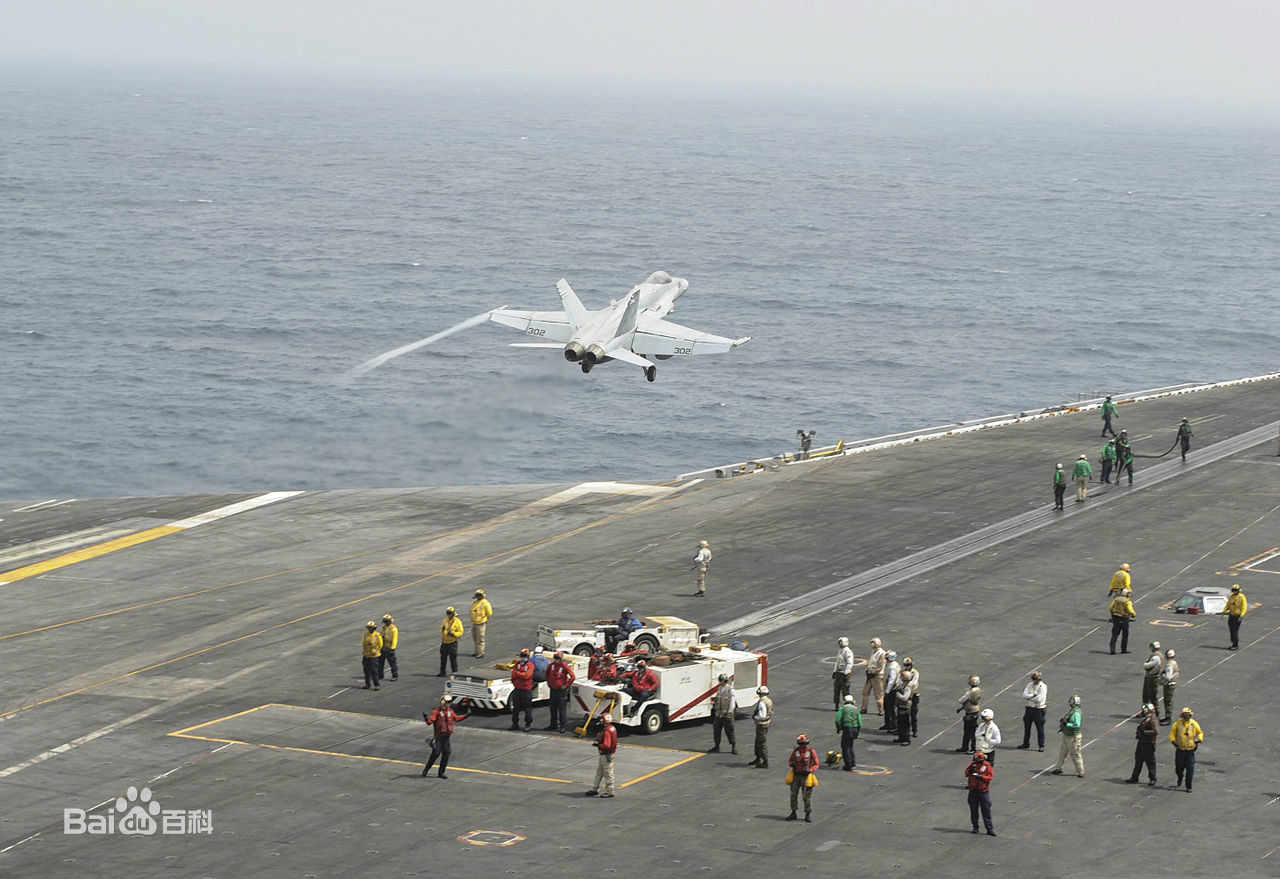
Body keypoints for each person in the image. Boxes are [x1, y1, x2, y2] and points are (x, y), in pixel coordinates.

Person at [422, 694, 469, 778]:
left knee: (446, 753)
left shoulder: (450, 711)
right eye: (447, 702)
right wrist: (426, 718)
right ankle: (426, 769)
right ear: (443, 702)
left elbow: (456, 719)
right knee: (436, 753)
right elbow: (430, 722)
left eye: (450, 702)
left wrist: (466, 716)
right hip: (439, 737)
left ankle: (441, 773)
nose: (449, 704)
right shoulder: (437, 711)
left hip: (446, 737)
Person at [1170, 706, 1204, 792]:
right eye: (1184, 715)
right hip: (1180, 749)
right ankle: (1180, 777)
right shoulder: (1177, 723)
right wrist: (1173, 741)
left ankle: (1189, 786)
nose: (1186, 717)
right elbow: (1172, 734)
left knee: (1190, 769)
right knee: (1178, 768)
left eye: (1187, 715)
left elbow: (1200, 732)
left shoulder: (1193, 723)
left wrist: (1199, 739)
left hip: (1190, 750)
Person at [786, 734, 819, 822]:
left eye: (803, 743)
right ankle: (793, 812)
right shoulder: (795, 751)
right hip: (796, 775)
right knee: (793, 794)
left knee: (807, 796)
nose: (802, 745)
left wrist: (810, 770)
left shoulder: (811, 751)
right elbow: (790, 761)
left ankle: (808, 814)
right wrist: (791, 764)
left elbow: (816, 764)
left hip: (807, 776)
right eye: (800, 743)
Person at [1050, 694, 1085, 777]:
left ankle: (1080, 771)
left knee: (1075, 754)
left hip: (1073, 737)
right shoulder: (1072, 710)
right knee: (1062, 752)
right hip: (1066, 735)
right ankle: (1058, 767)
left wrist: (1067, 724)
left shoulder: (1076, 713)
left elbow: (1077, 725)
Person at [1126, 702, 1159, 785]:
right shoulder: (1147, 718)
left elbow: (1156, 731)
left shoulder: (1153, 720)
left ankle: (1153, 778)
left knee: (1150, 762)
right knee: (1138, 760)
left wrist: (1145, 732)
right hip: (1142, 742)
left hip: (1148, 743)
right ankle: (1135, 777)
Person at [965, 750, 996, 836]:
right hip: (973, 790)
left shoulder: (987, 765)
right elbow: (966, 773)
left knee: (986, 811)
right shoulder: (972, 765)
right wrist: (970, 771)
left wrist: (982, 777)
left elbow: (990, 776)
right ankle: (975, 827)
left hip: (983, 791)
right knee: (973, 810)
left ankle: (989, 829)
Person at [585, 713, 617, 797]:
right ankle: (594, 788)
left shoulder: (606, 731)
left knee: (607, 773)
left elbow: (607, 745)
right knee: (599, 772)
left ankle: (610, 791)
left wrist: (598, 744)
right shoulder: (612, 728)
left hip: (606, 754)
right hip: (608, 754)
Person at [545, 650, 576, 733]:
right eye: (555, 658)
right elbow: (547, 674)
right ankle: (553, 724)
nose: (556, 660)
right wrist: (549, 683)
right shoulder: (551, 665)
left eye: (558, 658)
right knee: (553, 708)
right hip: (553, 690)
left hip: (561, 691)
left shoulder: (564, 666)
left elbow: (572, 677)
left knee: (562, 709)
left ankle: (563, 726)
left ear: (561, 659)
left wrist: (566, 686)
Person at [1017, 670, 1048, 751]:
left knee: (1040, 728)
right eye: (1033, 679)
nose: (1034, 681)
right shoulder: (1029, 685)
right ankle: (1026, 743)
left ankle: (1041, 745)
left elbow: (1039, 699)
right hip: (1029, 708)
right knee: (1027, 727)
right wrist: (1033, 695)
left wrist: (1029, 697)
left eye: (1035, 679)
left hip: (1038, 709)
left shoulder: (1043, 687)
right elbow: (1024, 695)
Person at [709, 673, 737, 754]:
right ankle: (716, 746)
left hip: (727, 715)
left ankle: (733, 746)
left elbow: (732, 703)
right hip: (719, 714)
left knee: (730, 731)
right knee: (716, 730)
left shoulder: (731, 690)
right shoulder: (719, 689)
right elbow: (718, 699)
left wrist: (729, 712)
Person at [509, 648, 535, 731]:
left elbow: (527, 676)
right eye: (521, 656)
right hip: (517, 689)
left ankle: (528, 724)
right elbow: (513, 675)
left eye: (524, 656)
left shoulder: (530, 665)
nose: (522, 658)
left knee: (527, 708)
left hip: (526, 690)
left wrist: (518, 673)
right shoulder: (518, 664)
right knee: (515, 708)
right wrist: (520, 675)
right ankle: (515, 724)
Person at [955, 675, 982, 753]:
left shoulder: (970, 692)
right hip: (975, 710)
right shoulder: (978, 690)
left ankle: (971, 748)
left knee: (969, 731)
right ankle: (966, 746)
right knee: (970, 730)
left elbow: (961, 700)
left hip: (970, 711)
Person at [835, 694, 861, 770]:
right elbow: (860, 722)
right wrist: (858, 733)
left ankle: (848, 765)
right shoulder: (856, 709)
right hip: (855, 728)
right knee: (851, 745)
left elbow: (837, 720)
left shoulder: (842, 709)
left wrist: (838, 728)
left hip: (847, 729)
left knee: (845, 747)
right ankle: (853, 763)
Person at [749, 685, 773, 768]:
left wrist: (755, 717)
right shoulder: (769, 700)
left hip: (761, 725)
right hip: (766, 724)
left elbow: (762, 716)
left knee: (761, 742)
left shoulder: (762, 702)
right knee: (758, 741)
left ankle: (765, 761)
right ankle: (758, 758)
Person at [862, 637, 886, 715]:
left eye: (874, 643)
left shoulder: (882, 653)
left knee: (878, 694)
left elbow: (880, 665)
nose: (872, 645)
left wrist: (874, 673)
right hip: (870, 675)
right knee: (865, 692)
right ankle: (864, 708)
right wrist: (867, 670)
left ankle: (881, 710)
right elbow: (870, 662)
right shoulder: (873, 652)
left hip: (877, 676)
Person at [1108, 588, 1137, 655]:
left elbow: (1110, 607)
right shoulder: (1127, 601)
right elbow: (1130, 610)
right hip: (1124, 618)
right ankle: (1123, 649)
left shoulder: (1116, 599)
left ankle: (1112, 649)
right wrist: (1134, 614)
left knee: (1114, 634)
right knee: (1125, 634)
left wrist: (1112, 614)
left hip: (1115, 618)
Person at [438, 607, 464, 676]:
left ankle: (455, 673)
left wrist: (453, 634)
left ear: (453, 614)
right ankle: (442, 672)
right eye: (447, 613)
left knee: (453, 659)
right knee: (443, 658)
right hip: (444, 642)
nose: (448, 615)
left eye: (449, 613)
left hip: (452, 643)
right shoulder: (445, 620)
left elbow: (460, 631)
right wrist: (443, 630)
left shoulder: (457, 621)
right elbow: (441, 628)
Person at [881, 651, 902, 731]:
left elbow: (892, 680)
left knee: (890, 708)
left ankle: (892, 725)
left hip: (891, 690)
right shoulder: (894, 664)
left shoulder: (892, 667)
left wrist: (887, 691)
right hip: (891, 689)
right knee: (887, 707)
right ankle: (888, 723)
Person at [469, 589, 493, 658]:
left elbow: (489, 613)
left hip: (481, 623)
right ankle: (476, 651)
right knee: (475, 638)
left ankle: (481, 652)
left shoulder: (485, 603)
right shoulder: (474, 602)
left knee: (480, 638)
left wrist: (485, 619)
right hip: (474, 622)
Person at [832, 637, 854, 707]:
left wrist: (846, 673)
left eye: (841, 642)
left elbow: (849, 663)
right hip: (839, 673)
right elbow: (837, 662)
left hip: (844, 674)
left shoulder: (848, 652)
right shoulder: (840, 650)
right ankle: (836, 704)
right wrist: (834, 671)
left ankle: (847, 705)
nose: (840, 644)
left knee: (845, 690)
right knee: (836, 689)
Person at [893, 670, 914, 745]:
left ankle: (906, 739)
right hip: (901, 706)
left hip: (905, 707)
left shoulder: (907, 687)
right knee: (900, 724)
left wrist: (898, 695)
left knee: (904, 724)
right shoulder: (904, 684)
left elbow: (905, 698)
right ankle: (901, 738)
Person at [902, 656, 921, 737]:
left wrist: (908, 690)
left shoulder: (915, 673)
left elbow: (914, 683)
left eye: (908, 665)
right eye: (905, 665)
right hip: (905, 693)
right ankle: (903, 730)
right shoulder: (902, 672)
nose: (907, 667)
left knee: (913, 713)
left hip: (913, 694)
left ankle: (914, 730)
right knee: (903, 714)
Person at [361, 621, 383, 690]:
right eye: (368, 628)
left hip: (374, 656)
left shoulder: (377, 635)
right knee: (366, 671)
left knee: (374, 671)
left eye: (371, 628)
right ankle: (367, 684)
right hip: (366, 655)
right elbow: (363, 643)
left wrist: (376, 651)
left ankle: (377, 685)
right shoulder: (365, 634)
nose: (369, 629)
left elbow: (380, 645)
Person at [1159, 649, 1179, 724]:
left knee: (1167, 701)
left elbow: (1168, 677)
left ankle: (1168, 717)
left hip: (1169, 684)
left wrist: (1162, 674)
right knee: (1168, 701)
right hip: (1173, 683)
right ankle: (1167, 716)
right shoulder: (1174, 663)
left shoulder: (1169, 665)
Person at [1225, 583, 1247, 650]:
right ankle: (1233, 643)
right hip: (1231, 615)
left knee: (1235, 631)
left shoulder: (1242, 597)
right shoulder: (1231, 596)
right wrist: (1224, 611)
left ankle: (1235, 644)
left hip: (1237, 616)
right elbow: (1228, 604)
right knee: (1231, 630)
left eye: (1236, 590)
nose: (1234, 591)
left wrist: (1241, 616)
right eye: (1233, 590)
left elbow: (1244, 607)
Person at [1142, 641, 1163, 706]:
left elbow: (1146, 665)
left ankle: (1154, 711)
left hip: (1152, 677)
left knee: (1149, 695)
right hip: (1153, 676)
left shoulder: (1156, 657)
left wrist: (1146, 664)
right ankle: (1147, 709)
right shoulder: (1159, 655)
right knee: (1149, 695)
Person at [379, 613, 399, 682]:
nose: (385, 623)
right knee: (380, 663)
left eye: (386, 621)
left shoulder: (393, 629)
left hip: (389, 648)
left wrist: (392, 648)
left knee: (392, 663)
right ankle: (380, 675)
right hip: (383, 648)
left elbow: (394, 639)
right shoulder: (383, 628)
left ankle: (395, 675)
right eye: (385, 621)